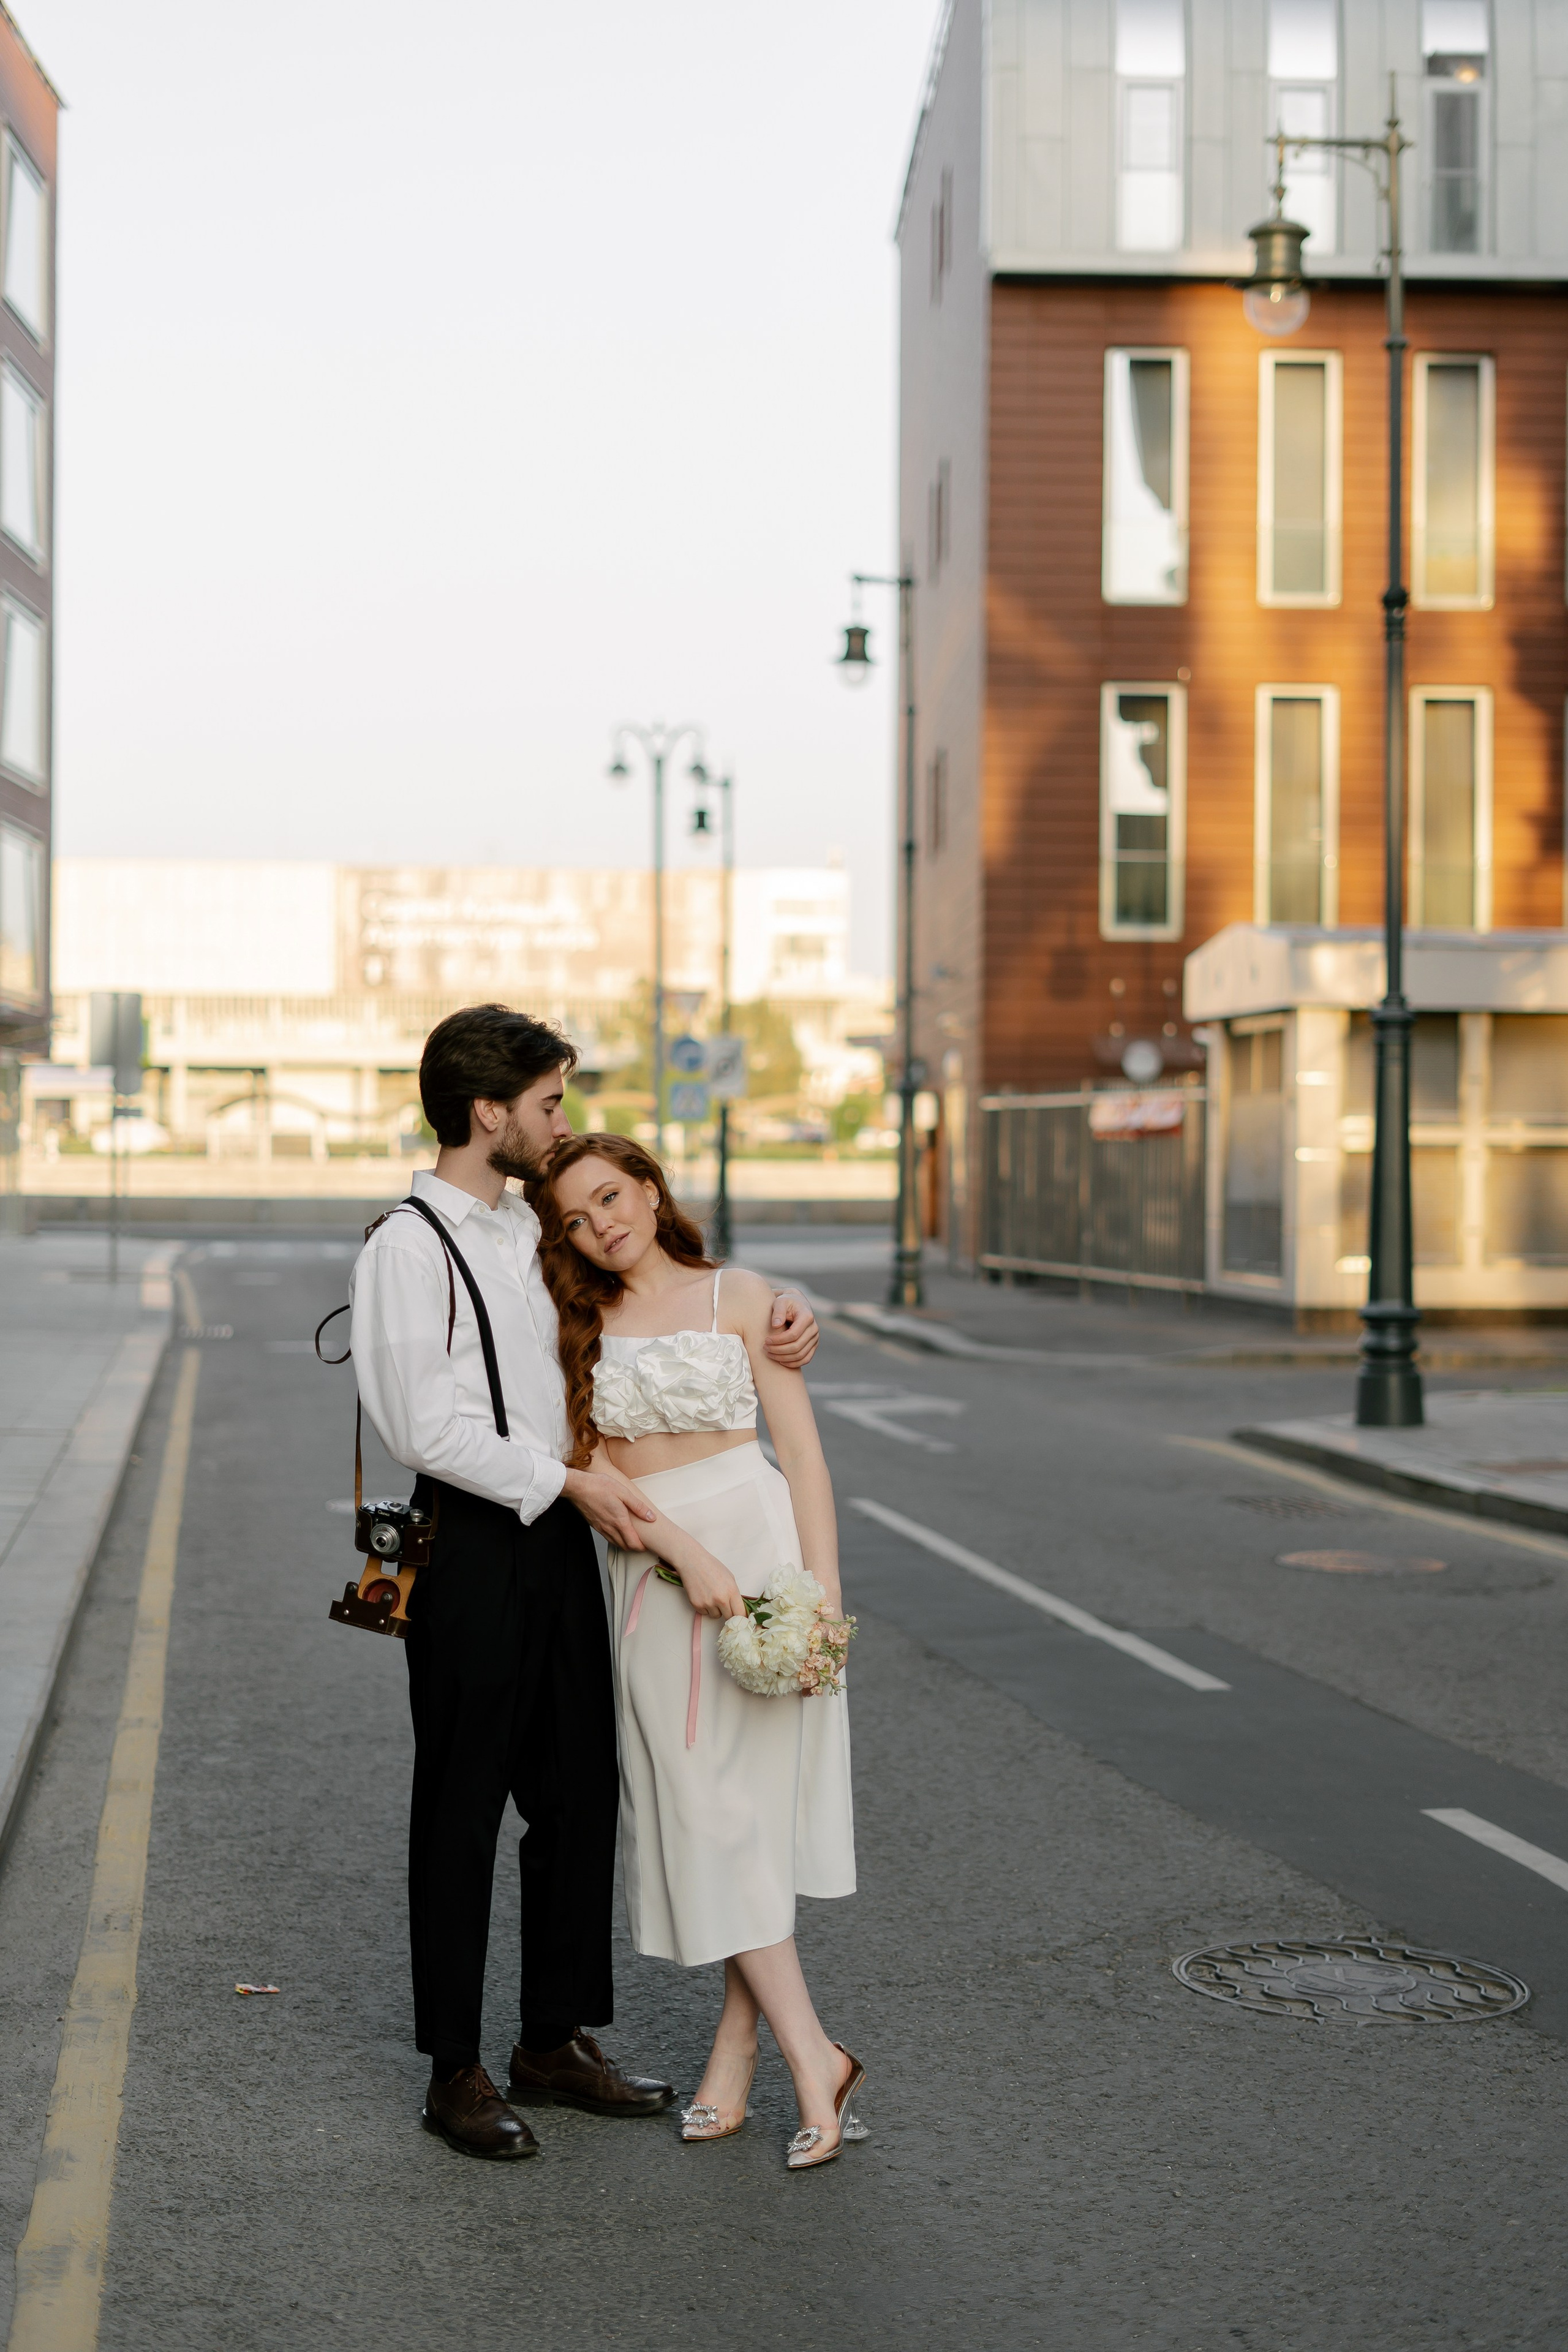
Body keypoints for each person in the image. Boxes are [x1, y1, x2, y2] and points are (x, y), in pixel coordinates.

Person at [349, 1004, 820, 2158]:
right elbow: (421, 1428)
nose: (562, 1122)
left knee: (577, 1798)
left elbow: (650, 1305)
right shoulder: (406, 1248)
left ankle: (550, 2041)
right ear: (487, 1112)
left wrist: (780, 1314)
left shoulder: (529, 1227)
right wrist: (568, 1482)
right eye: (548, 1103)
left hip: (573, 1541)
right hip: (474, 1544)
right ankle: (454, 2071)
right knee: (461, 1808)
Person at [538, 1132, 863, 2172]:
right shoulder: (574, 1323)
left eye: (610, 1198)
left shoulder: (742, 1296)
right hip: (655, 1571)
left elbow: (801, 1454)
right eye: (575, 1219)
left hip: (765, 1553)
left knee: (747, 1819)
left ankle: (751, 2054)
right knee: (706, 1811)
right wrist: (677, 1550)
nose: (600, 1226)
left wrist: (823, 1603)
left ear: (649, 1188)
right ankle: (815, 2055)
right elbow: (589, 1476)